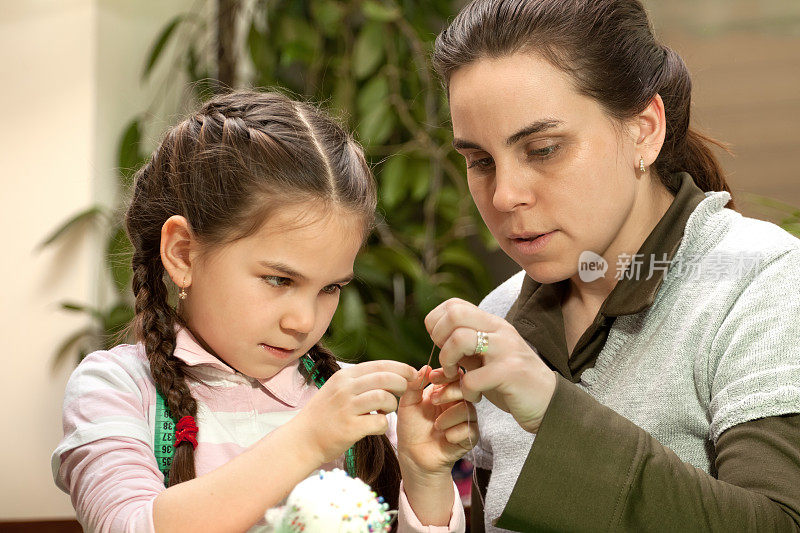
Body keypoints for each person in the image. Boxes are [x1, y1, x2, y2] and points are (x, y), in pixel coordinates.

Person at [423, 0, 800, 531]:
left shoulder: (763, 283)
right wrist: (425, 477)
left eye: (543, 148)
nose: (505, 195)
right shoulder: (499, 314)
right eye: (480, 162)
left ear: (644, 130)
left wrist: (554, 413)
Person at [51, 90, 475, 532]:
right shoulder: (118, 388)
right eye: (279, 280)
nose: (304, 322)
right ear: (182, 253)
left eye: (330, 288)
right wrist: (305, 441)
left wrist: (425, 476)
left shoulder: (357, 411)